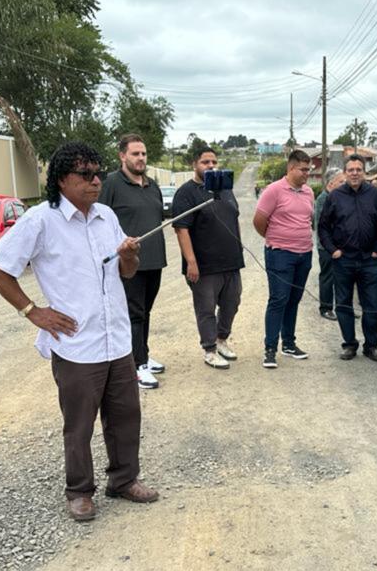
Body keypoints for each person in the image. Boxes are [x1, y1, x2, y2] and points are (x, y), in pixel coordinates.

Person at [0, 142, 159, 523]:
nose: (96, 181)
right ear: (63, 179)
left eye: (98, 173)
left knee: (126, 416)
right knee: (79, 424)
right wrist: (33, 311)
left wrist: (130, 256)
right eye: (86, 175)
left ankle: (124, 480)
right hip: (78, 344)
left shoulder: (106, 216)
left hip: (116, 339)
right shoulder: (40, 220)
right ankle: (79, 491)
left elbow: (125, 273)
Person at [99, 133, 167, 390]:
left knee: (145, 313)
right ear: (122, 156)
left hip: (154, 262)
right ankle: (136, 367)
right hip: (129, 265)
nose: (141, 158)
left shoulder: (152, 185)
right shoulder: (111, 184)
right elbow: (100, 220)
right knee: (133, 314)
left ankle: (143, 356)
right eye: (135, 154)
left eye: (143, 154)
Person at [171, 146, 244, 370]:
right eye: (205, 162)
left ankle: (221, 340)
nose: (211, 166)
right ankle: (210, 349)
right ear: (195, 164)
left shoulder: (225, 190)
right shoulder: (186, 192)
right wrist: (191, 263)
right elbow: (181, 229)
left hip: (231, 262)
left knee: (232, 303)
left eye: (214, 162)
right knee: (206, 309)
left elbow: (234, 219)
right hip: (204, 266)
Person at [318, 154, 377, 361]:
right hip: (344, 260)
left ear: (363, 172)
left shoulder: (374, 195)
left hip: (369, 260)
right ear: (345, 173)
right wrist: (333, 250)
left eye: (358, 169)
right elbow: (323, 227)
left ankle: (371, 346)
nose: (355, 173)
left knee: (371, 306)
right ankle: (349, 344)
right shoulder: (335, 196)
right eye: (351, 170)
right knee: (343, 305)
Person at [253, 149, 315, 369]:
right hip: (280, 254)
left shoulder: (308, 192)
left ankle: (289, 343)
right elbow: (259, 221)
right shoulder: (274, 190)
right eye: (303, 169)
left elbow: (309, 219)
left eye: (309, 169)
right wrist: (276, 239)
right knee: (278, 300)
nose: (307, 173)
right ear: (291, 168)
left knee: (294, 300)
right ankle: (270, 349)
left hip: (304, 254)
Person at [313, 167, 345, 320]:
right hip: (327, 248)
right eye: (341, 181)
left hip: (341, 247)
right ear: (331, 184)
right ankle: (325, 308)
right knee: (328, 277)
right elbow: (322, 226)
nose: (344, 184)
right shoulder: (323, 199)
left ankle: (343, 308)